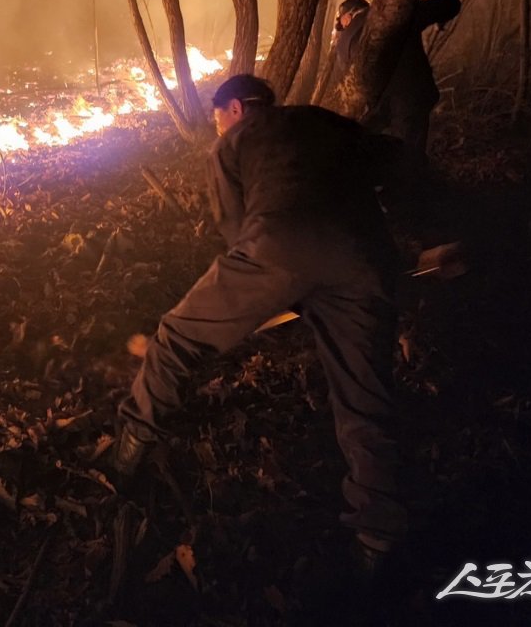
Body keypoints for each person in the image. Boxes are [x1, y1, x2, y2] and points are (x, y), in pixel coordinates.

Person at [112, 74, 407, 571]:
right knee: (364, 393)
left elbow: (234, 226)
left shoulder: (235, 142)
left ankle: (129, 449)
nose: (216, 126)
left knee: (178, 335)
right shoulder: (324, 120)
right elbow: (397, 162)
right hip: (366, 259)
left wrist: (263, 289)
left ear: (235, 110)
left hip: (278, 250)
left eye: (217, 117)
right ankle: (378, 535)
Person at [334, 0, 460, 158]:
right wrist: (441, 17)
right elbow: (450, 2)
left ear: (348, 17)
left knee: (367, 144)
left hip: (377, 105)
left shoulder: (343, 44)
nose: (341, 27)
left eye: (341, 22)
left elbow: (350, 81)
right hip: (411, 96)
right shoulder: (393, 14)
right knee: (408, 157)